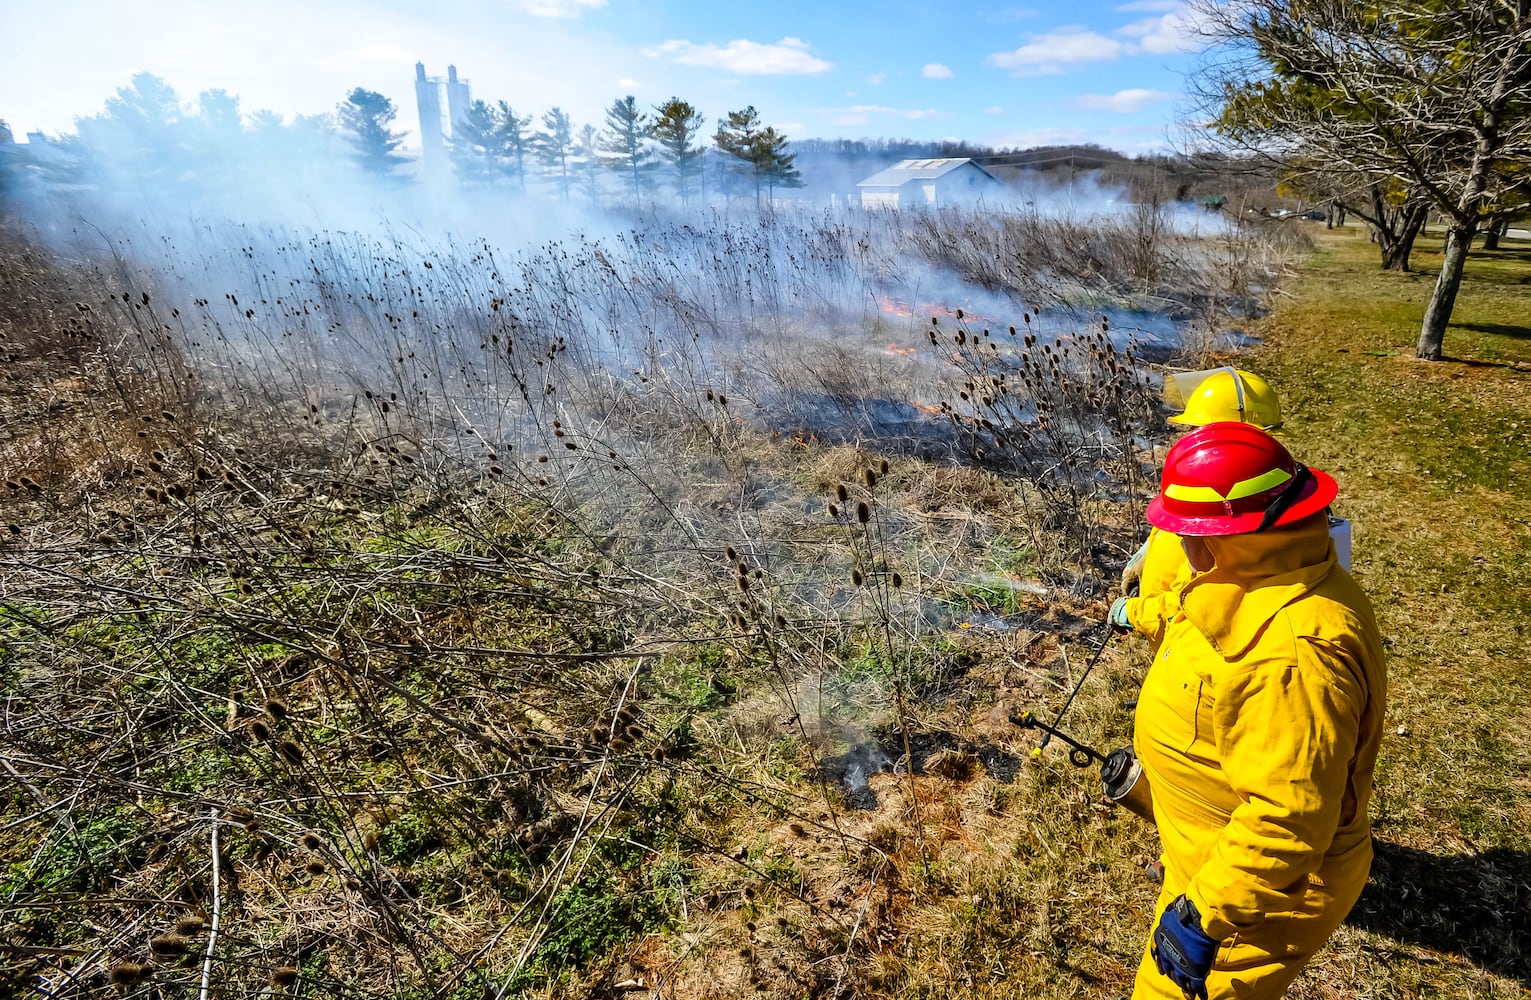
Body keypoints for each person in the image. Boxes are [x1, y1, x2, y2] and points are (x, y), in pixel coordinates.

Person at [1112, 422, 1387, 1000]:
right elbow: (1190, 618)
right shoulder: (1255, 578)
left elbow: (1289, 821)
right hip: (1209, 855)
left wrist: (1206, 912)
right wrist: (1134, 612)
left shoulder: (1293, 658)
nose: (1179, 545)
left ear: (1231, 535)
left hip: (1254, 902)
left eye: (1186, 530)